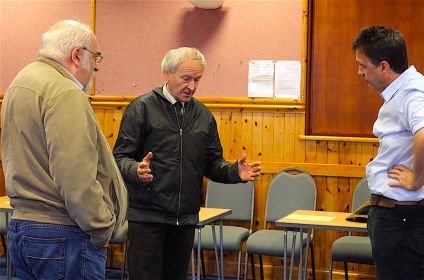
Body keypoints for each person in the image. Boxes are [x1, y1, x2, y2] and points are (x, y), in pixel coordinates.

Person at [113, 47, 262, 280]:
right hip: (147, 216)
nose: (192, 86)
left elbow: (212, 164)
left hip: (185, 218)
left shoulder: (203, 115)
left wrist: (234, 172)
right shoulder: (142, 108)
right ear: (166, 74)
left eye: (197, 79)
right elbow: (120, 157)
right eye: (186, 78)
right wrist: (135, 170)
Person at [1, 20, 128, 279]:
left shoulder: (21, 82)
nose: (96, 66)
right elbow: (75, 176)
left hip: (23, 227)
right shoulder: (64, 91)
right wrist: (101, 228)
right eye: (96, 57)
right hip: (64, 232)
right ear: (77, 55)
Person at [352, 26, 424, 280]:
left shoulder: (412, 94)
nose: (359, 72)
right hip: (398, 214)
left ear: (384, 66)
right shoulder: (406, 91)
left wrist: (416, 178)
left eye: (363, 65)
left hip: (403, 215)